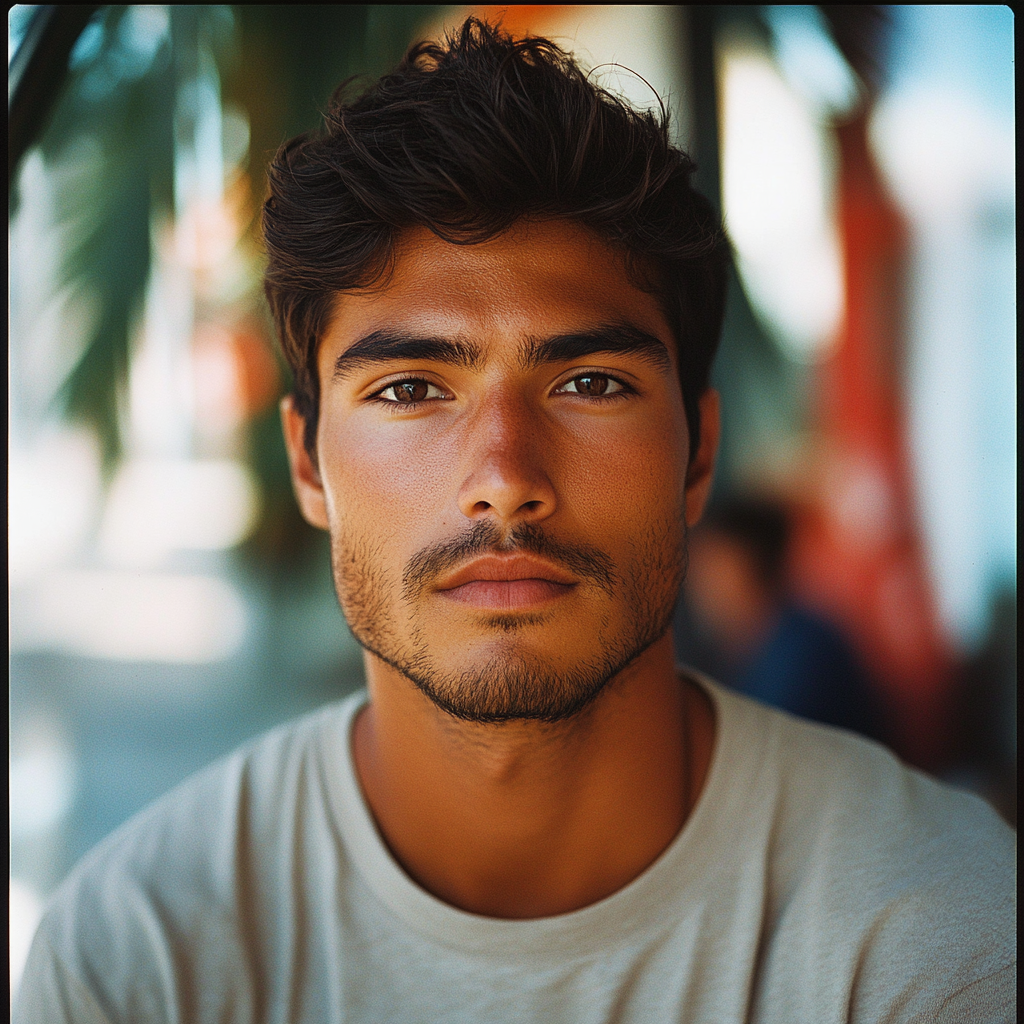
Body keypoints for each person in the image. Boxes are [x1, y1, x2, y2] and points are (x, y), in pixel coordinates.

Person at [15, 19, 1014, 1024]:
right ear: (307, 465)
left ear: (698, 452)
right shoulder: (137, 957)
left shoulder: (945, 943)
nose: (502, 480)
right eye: (410, 389)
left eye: (588, 381)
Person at [680, 495, 885, 741]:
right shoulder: (747, 657)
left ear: (746, 565)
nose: (697, 584)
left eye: (711, 567)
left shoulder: (803, 653)